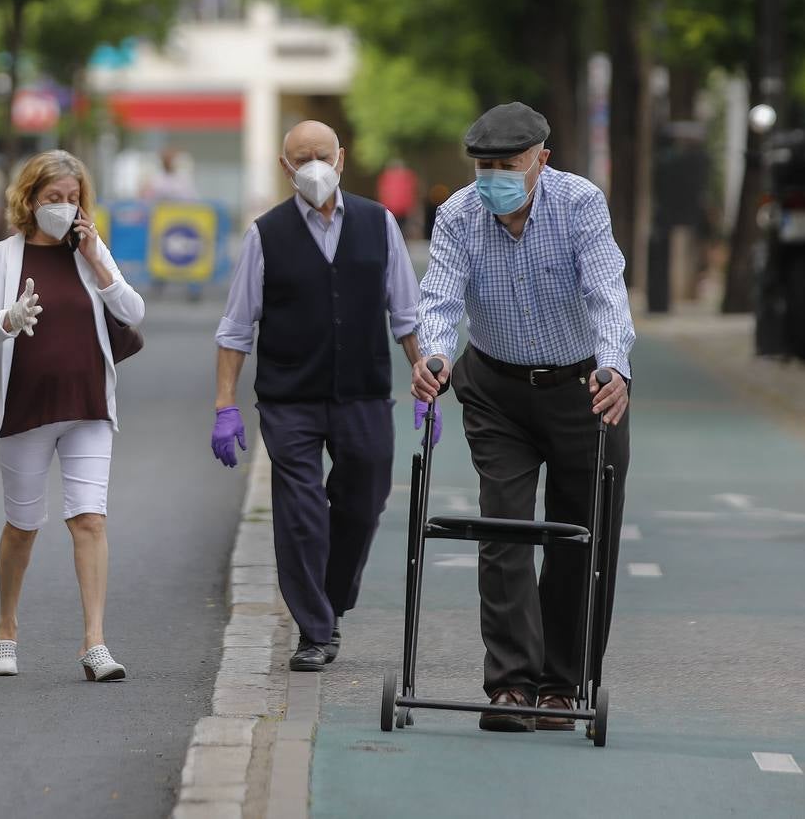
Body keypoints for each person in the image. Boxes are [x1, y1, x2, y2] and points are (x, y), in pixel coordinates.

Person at [412, 102, 634, 732]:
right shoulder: (458, 214)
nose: (492, 179)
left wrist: (616, 366)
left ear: (543, 159)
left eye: (506, 165)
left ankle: (562, 686)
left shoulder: (579, 204)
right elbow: (442, 293)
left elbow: (606, 292)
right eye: (482, 167)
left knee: (579, 534)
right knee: (504, 527)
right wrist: (434, 354)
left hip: (584, 386)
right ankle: (510, 685)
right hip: (496, 389)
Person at [212, 120, 429, 672]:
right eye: (300, 157)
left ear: (341, 159)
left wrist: (424, 380)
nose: (312, 165)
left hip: (363, 393)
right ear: (285, 168)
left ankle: (331, 599)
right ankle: (314, 629)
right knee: (301, 512)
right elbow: (236, 328)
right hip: (291, 400)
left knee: (364, 500)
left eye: (321, 154)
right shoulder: (265, 235)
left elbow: (405, 315)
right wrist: (225, 405)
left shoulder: (378, 224)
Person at [0, 150, 145, 682]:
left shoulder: (90, 248)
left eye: (72, 199)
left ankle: (95, 643)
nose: (64, 208)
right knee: (23, 525)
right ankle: (6, 629)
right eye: (53, 199)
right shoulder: (0, 258)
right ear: (30, 200)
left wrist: (96, 260)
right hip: (25, 410)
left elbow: (133, 313)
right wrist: (7, 319)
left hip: (87, 405)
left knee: (89, 519)